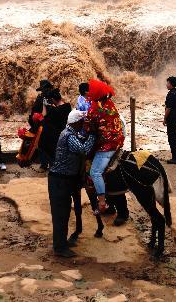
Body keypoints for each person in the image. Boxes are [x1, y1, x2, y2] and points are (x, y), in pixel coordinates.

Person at [49, 109, 96, 258]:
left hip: (63, 179)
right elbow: (83, 149)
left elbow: (81, 139)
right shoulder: (69, 136)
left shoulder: (70, 132)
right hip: (59, 180)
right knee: (60, 214)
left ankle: (61, 243)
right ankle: (60, 248)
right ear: (76, 123)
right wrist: (93, 136)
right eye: (82, 122)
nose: (83, 125)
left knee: (63, 213)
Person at [86, 79, 125, 213]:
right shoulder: (110, 104)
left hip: (107, 146)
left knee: (95, 172)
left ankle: (102, 203)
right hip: (119, 141)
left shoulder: (95, 108)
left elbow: (88, 127)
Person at [42, 89, 72, 171]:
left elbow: (44, 115)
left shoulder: (53, 110)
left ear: (52, 99)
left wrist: (45, 105)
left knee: (54, 157)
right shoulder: (67, 106)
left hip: (55, 137)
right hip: (65, 134)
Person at [31, 80, 55, 171]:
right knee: (43, 145)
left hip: (49, 125)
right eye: (44, 89)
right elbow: (34, 112)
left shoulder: (45, 98)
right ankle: (45, 164)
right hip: (44, 125)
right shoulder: (41, 98)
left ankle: (47, 164)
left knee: (46, 145)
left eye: (46, 89)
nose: (45, 90)